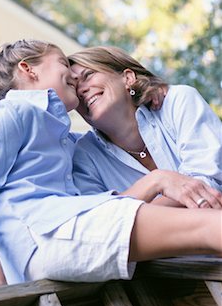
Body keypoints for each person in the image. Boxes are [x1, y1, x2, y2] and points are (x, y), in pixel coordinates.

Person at [0, 39, 222, 292]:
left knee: (209, 227)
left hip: (60, 232)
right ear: (28, 70)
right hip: (44, 234)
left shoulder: (60, 139)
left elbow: (107, 206)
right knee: (209, 226)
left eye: (86, 76)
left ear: (127, 79)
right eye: (65, 65)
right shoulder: (12, 114)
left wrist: (144, 89)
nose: (78, 85)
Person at [69, 46, 222, 209]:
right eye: (72, 88)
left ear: (127, 78)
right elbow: (100, 222)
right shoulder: (84, 156)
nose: (81, 91)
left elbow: (210, 181)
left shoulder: (178, 102)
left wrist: (132, 215)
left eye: (88, 76)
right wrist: (156, 182)